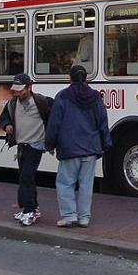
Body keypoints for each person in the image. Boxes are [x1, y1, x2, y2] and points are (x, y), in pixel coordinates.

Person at [45, 65, 112, 228]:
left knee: (65, 183)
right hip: (90, 147)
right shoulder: (96, 97)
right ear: (86, 78)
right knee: (86, 184)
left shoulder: (62, 96)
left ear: (70, 77)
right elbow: (103, 122)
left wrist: (50, 144)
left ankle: (69, 215)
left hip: (69, 147)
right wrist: (106, 143)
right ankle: (84, 217)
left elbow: (54, 123)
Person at [0, 73, 52, 226]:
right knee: (24, 176)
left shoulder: (42, 101)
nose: (18, 93)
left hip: (36, 144)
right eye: (16, 90)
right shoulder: (12, 103)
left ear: (29, 88)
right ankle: (32, 207)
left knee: (26, 176)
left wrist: (51, 141)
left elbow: (53, 118)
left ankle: (30, 209)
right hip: (22, 145)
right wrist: (7, 125)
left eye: (21, 90)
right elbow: (3, 118)